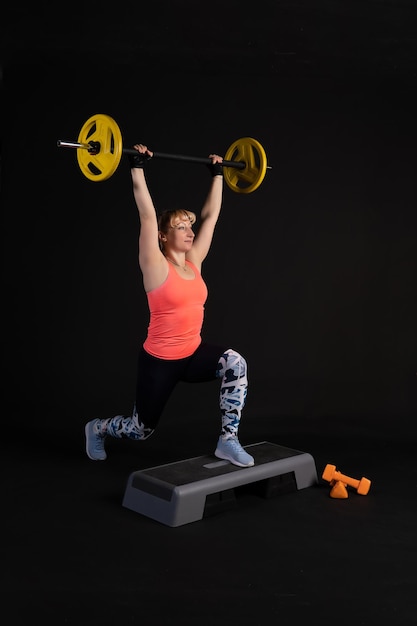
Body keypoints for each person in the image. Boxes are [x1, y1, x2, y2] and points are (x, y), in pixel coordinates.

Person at [84, 143, 254, 468]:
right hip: (159, 362)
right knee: (140, 429)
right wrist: (137, 167)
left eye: (189, 226)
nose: (190, 232)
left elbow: (211, 217)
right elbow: (147, 215)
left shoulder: (194, 264)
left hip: (191, 354)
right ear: (163, 236)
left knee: (236, 364)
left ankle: (228, 440)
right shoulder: (155, 266)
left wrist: (218, 174)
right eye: (180, 227)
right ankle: (98, 428)